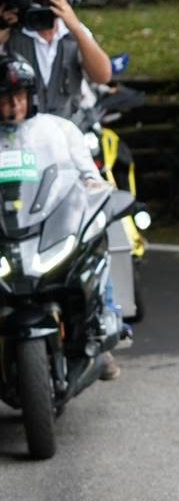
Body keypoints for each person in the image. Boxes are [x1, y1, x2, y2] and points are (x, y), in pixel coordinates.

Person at [0, 53, 119, 378]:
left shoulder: (59, 130)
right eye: (4, 99)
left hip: (49, 228)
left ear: (30, 96)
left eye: (18, 96)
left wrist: (94, 186)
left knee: (95, 246)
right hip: (5, 233)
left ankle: (100, 329)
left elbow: (88, 176)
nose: (13, 105)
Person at [6, 0, 110, 120]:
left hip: (68, 132)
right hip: (22, 133)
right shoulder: (12, 32)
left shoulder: (74, 33)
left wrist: (75, 27)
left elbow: (102, 76)